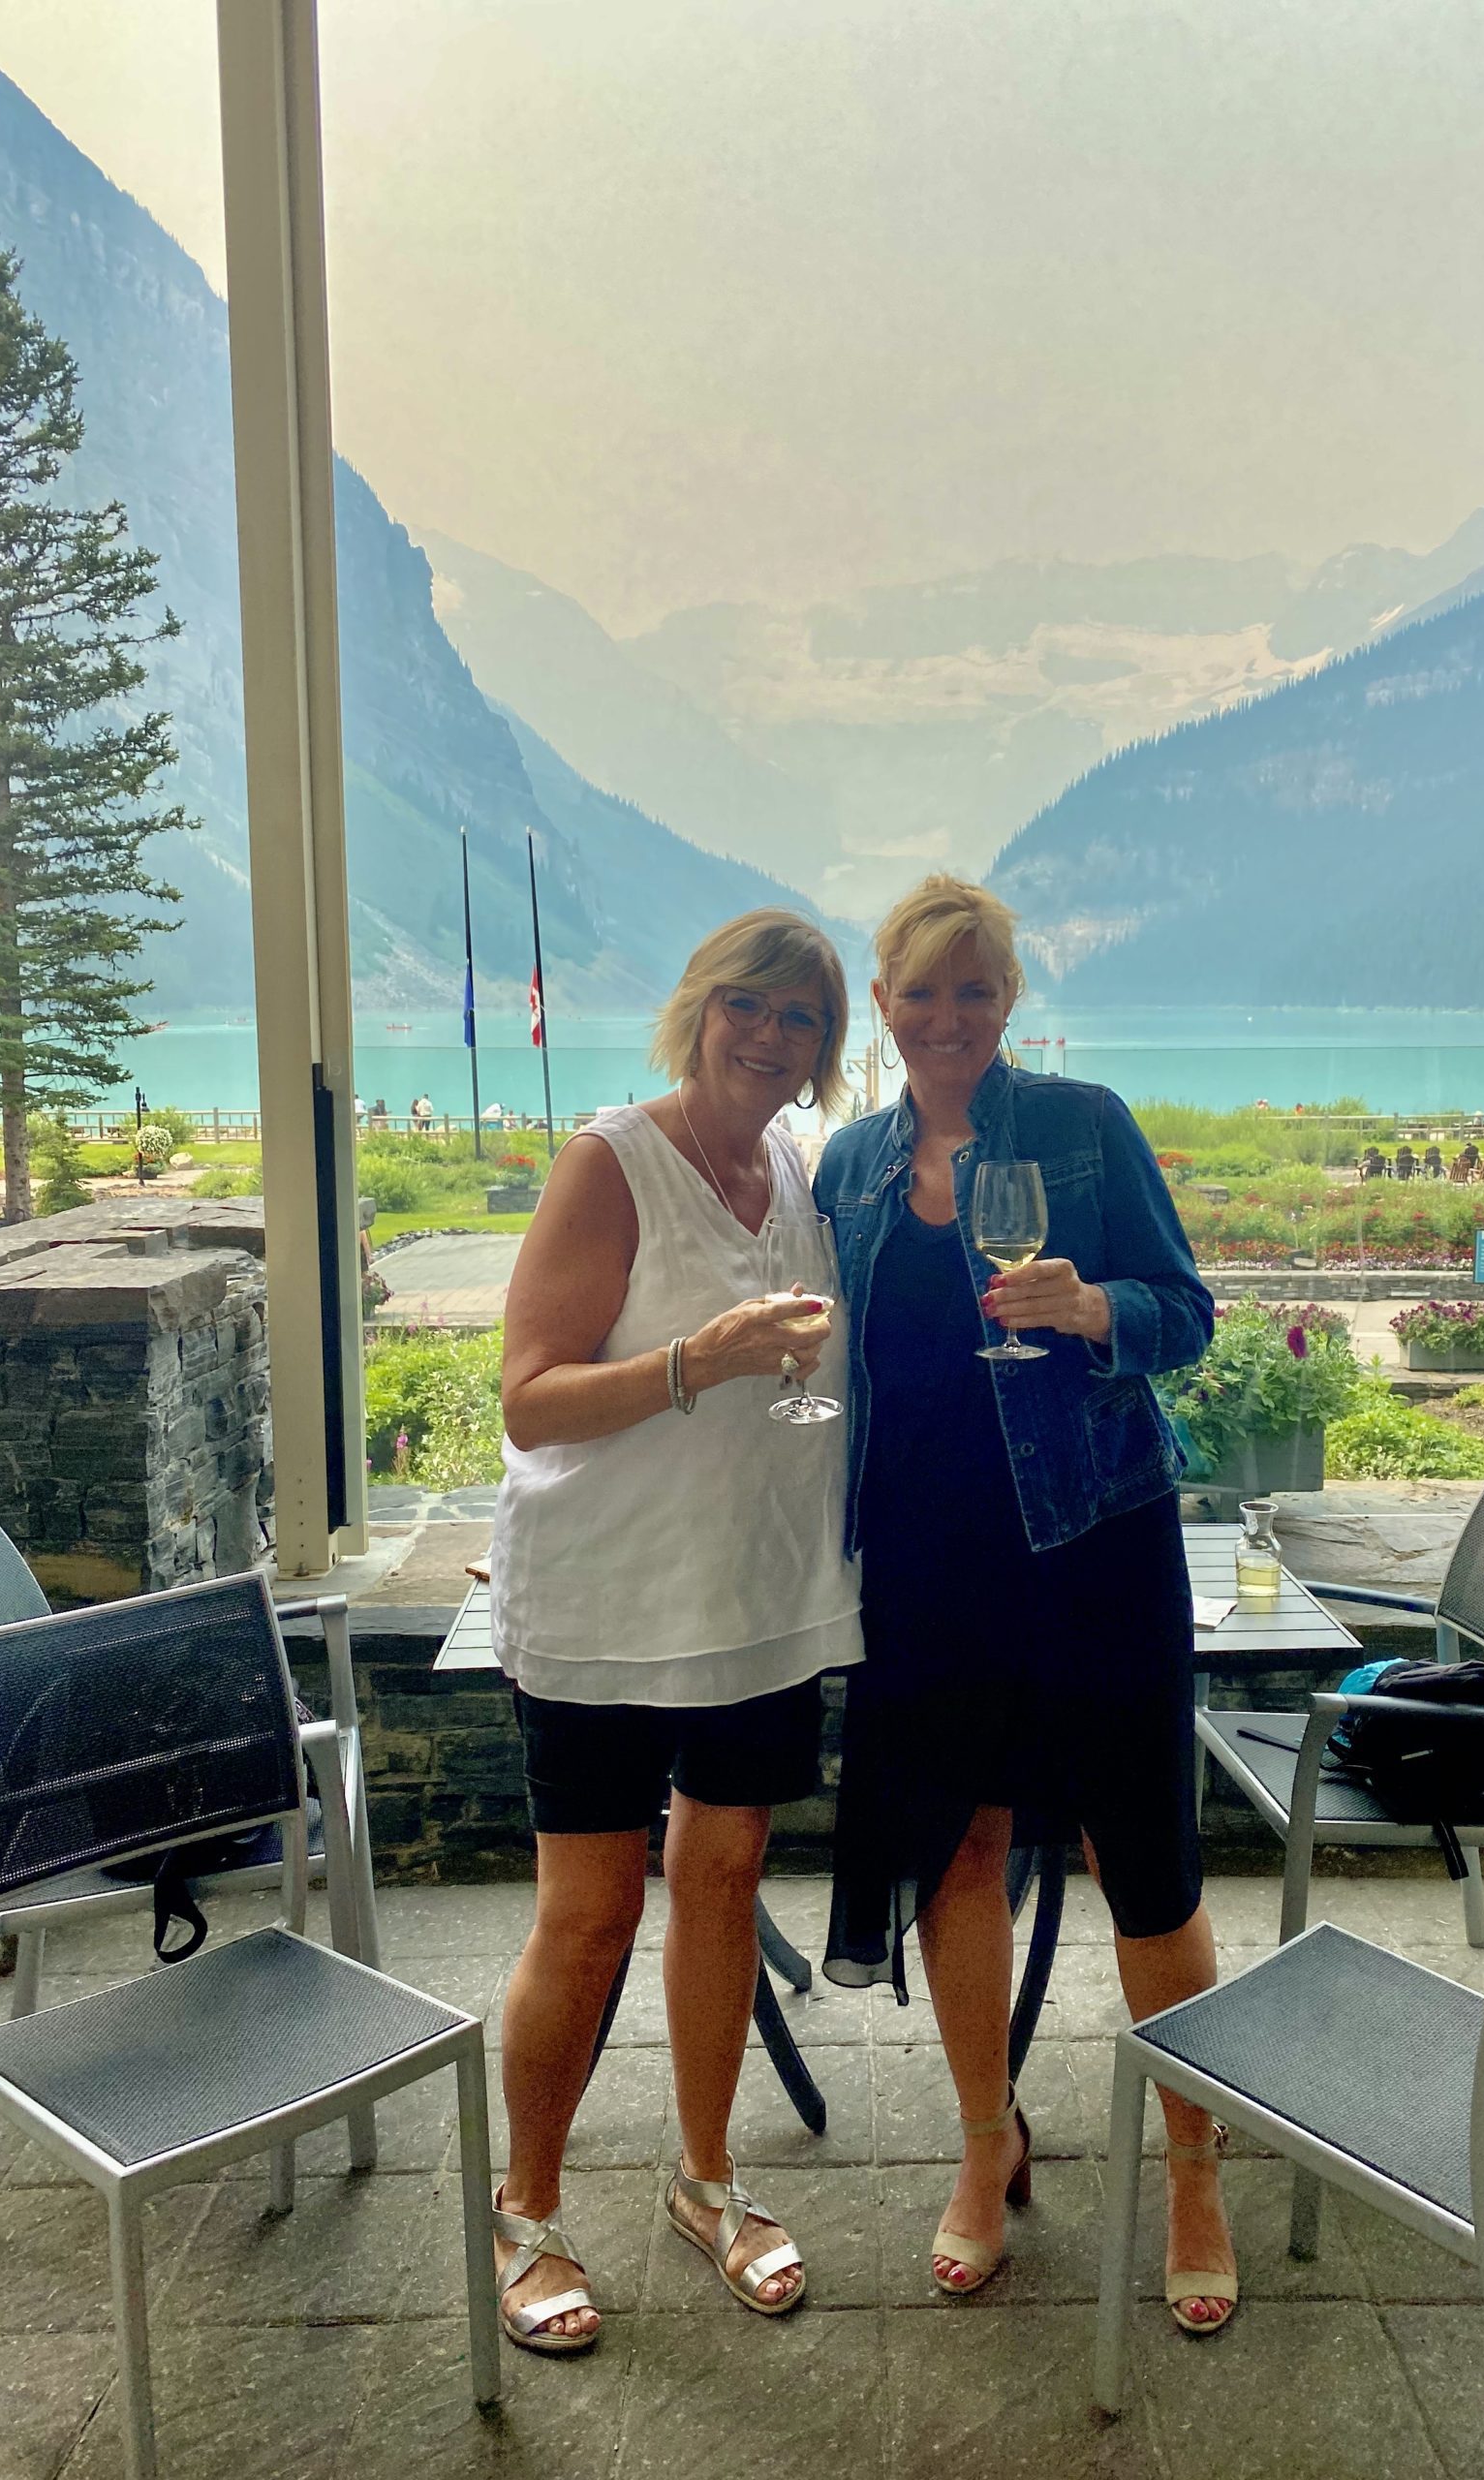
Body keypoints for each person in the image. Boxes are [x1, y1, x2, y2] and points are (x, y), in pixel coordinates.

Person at [816, 875, 1236, 2335]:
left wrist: (1096, 1309)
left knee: (1146, 1858)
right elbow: (837, 1371)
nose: (948, 1017)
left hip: (1095, 1546)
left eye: (975, 990)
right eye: (921, 992)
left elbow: (1185, 1309)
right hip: (929, 1570)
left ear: (1011, 1004)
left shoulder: (1083, 1124)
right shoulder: (849, 1166)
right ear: (884, 1005)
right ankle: (986, 2141)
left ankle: (1194, 2165)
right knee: (959, 1849)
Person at [486, 909, 859, 2353]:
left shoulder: (796, 1173)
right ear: (699, 1009)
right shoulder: (610, 1161)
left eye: (802, 1020)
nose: (770, 1038)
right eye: (748, 1009)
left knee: (720, 1882)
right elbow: (526, 1395)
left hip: (755, 1603)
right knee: (587, 1913)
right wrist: (697, 1361)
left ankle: (706, 2183)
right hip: (606, 1605)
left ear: (829, 1050)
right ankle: (527, 2211)